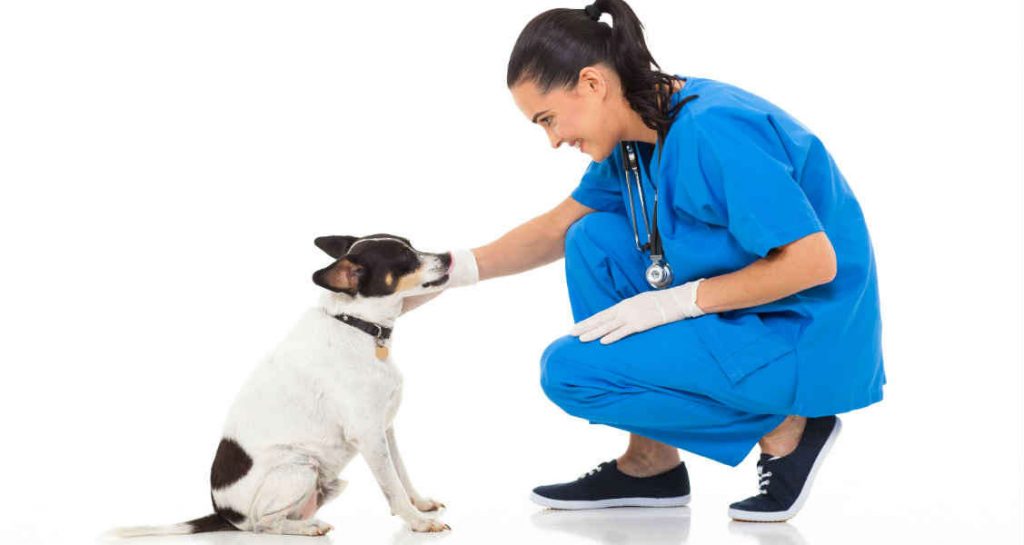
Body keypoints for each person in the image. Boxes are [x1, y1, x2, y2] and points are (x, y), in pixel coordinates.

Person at [405, 0, 885, 522]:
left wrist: (677, 303)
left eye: (548, 119)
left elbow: (813, 263)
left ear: (591, 83)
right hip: (749, 322)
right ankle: (651, 463)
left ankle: (790, 427)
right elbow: (556, 227)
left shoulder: (714, 127)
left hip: (801, 333)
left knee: (571, 372)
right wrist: (445, 271)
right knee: (592, 239)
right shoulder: (635, 137)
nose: (553, 140)